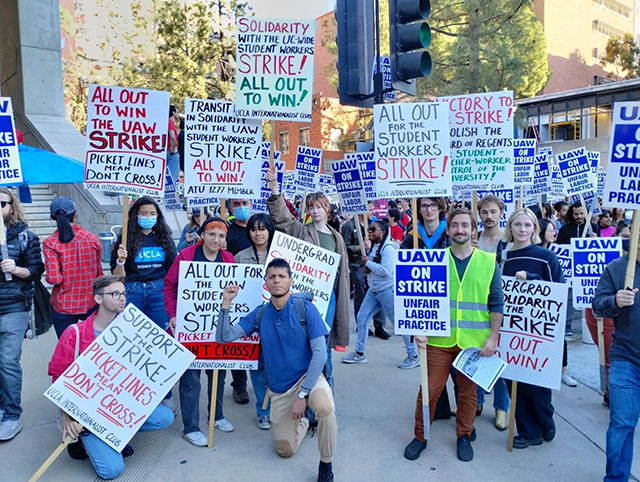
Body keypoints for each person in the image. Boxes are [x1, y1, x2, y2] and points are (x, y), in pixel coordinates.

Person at [217, 258, 337, 482]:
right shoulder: (260, 314)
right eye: (272, 277)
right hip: (281, 389)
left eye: (282, 276)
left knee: (325, 406)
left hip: (307, 379)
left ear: (291, 280)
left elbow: (320, 353)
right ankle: (302, 421)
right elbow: (224, 338)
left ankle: (326, 463)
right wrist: (226, 303)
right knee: (285, 450)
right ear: (266, 283)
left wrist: (304, 395)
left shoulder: (305, 309)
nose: (277, 280)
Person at [48, 275, 174, 479]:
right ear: (98, 299)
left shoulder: (131, 331)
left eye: (124, 294)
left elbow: (141, 373)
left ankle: (116, 434)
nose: (122, 298)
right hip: (85, 414)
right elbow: (58, 377)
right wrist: (65, 416)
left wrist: (164, 378)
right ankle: (88, 440)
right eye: (115, 294)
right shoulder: (75, 333)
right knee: (111, 470)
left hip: (118, 406)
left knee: (165, 417)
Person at [404, 208, 503, 462]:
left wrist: (493, 337)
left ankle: (464, 434)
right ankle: (421, 436)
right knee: (429, 390)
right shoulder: (432, 259)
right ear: (447, 230)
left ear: (473, 230)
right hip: (438, 340)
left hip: (473, 342)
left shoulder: (488, 262)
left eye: (465, 225)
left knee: (468, 394)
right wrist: (418, 329)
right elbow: (418, 298)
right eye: (455, 225)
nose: (460, 230)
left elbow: (496, 303)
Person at [266, 169, 351, 387]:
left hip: (328, 296)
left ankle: (325, 391)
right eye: (311, 207)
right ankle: (304, 390)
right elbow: (282, 218)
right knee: (306, 341)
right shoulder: (301, 231)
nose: (315, 211)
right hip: (305, 297)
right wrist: (275, 189)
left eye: (319, 207)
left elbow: (342, 272)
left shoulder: (337, 237)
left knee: (322, 342)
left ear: (327, 208)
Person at [164, 217, 236, 446]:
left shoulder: (229, 259)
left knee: (218, 374)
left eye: (221, 235)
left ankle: (217, 416)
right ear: (202, 235)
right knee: (191, 378)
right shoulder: (185, 257)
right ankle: (191, 427)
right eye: (212, 234)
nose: (216, 239)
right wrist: (173, 314)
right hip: (190, 328)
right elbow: (169, 286)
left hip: (217, 327)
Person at [501, 208, 565, 449]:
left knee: (537, 387)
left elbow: (557, 290)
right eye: (517, 225)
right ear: (510, 228)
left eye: (527, 225)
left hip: (539, 332)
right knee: (514, 383)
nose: (522, 230)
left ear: (535, 229)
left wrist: (533, 280)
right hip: (512, 331)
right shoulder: (505, 256)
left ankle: (545, 420)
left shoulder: (546, 257)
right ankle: (529, 432)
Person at [592, 227, 640, 482]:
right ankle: (616, 478)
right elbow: (598, 305)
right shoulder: (617, 269)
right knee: (622, 422)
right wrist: (615, 301)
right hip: (627, 358)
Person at [341, 220, 418, 368]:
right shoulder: (375, 247)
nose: (369, 232)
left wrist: (368, 263)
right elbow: (375, 268)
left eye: (373, 229)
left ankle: (413, 355)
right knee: (362, 318)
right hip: (374, 290)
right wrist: (368, 268)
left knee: (400, 324)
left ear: (383, 231)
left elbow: (386, 271)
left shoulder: (388, 249)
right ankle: (360, 353)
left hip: (386, 290)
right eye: (369, 229)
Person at [0, 187, 44, 441]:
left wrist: (16, 269)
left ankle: (11, 415)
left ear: (11, 206)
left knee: (7, 362)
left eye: (2, 204)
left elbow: (36, 270)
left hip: (13, 307)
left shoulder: (26, 236)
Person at [471, 194, 509, 430]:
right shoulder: (474, 239)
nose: (488, 216)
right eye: (484, 212)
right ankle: (477, 401)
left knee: (499, 357)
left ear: (501, 213)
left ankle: (502, 407)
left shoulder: (509, 240)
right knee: (478, 353)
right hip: (478, 303)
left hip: (501, 304)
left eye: (493, 212)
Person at [235, 213, 276, 429]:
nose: (257, 233)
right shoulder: (240, 257)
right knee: (258, 368)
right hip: (252, 322)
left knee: (278, 367)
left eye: (262, 228)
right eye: (253, 229)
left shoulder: (281, 255)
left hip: (277, 320)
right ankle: (263, 411)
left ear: (270, 230)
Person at [111, 197, 175, 332]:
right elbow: (117, 276)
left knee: (160, 334)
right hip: (132, 291)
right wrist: (120, 261)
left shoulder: (165, 239)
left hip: (159, 292)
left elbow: (172, 270)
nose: (148, 217)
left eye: (152, 214)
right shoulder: (124, 239)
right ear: (136, 215)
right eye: (144, 214)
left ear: (158, 216)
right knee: (130, 333)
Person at [43, 197, 103, 338]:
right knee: (92, 349)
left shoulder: (50, 243)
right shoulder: (92, 239)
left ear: (54, 218)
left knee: (68, 350)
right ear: (75, 216)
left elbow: (54, 279)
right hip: (91, 302)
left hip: (63, 305)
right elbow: (99, 273)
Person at [223, 198, 254, 405]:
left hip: (261, 290)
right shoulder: (228, 232)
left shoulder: (259, 225)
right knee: (240, 339)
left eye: (245, 203)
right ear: (230, 208)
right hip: (238, 293)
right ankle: (239, 386)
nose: (242, 207)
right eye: (236, 204)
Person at [341, 214, 388, 340]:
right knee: (361, 293)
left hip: (373, 264)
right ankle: (361, 324)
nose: (371, 211)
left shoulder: (374, 224)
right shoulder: (349, 225)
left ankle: (379, 325)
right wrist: (359, 247)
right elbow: (344, 247)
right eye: (369, 208)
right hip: (357, 264)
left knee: (376, 293)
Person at [167, 105, 180, 181]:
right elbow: (172, 135)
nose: (178, 114)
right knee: (172, 177)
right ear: (173, 113)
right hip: (171, 152)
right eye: (177, 112)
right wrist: (172, 149)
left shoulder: (169, 123)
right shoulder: (170, 123)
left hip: (169, 151)